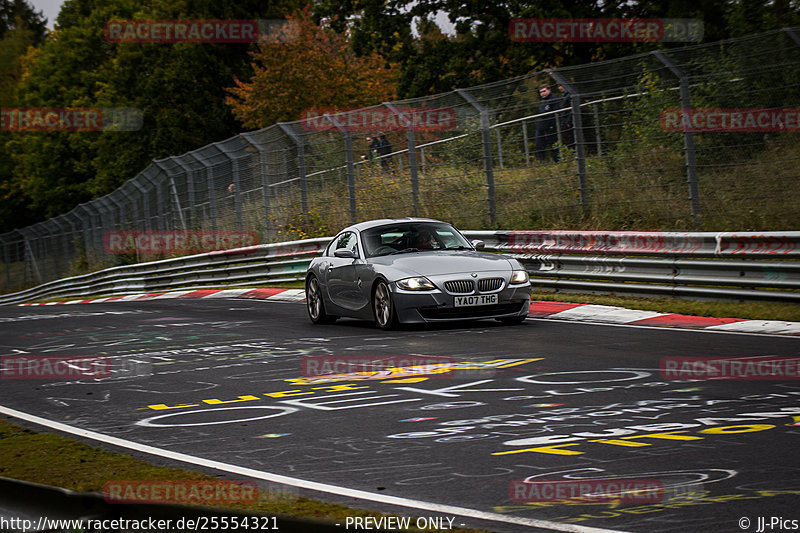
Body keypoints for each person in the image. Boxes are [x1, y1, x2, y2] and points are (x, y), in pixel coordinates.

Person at [535, 85, 559, 163]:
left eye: (544, 91)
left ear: (549, 90)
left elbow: (557, 113)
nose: (542, 94)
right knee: (539, 144)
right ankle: (542, 162)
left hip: (550, 126)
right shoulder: (543, 101)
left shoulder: (554, 99)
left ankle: (557, 161)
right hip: (541, 126)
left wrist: (552, 124)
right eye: (541, 92)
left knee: (553, 144)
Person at [558, 84, 574, 149]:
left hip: (569, 121)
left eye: (561, 85)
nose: (560, 88)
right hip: (564, 121)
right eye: (559, 86)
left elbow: (571, 109)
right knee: (566, 139)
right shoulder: (563, 96)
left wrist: (568, 121)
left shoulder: (570, 95)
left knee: (571, 138)